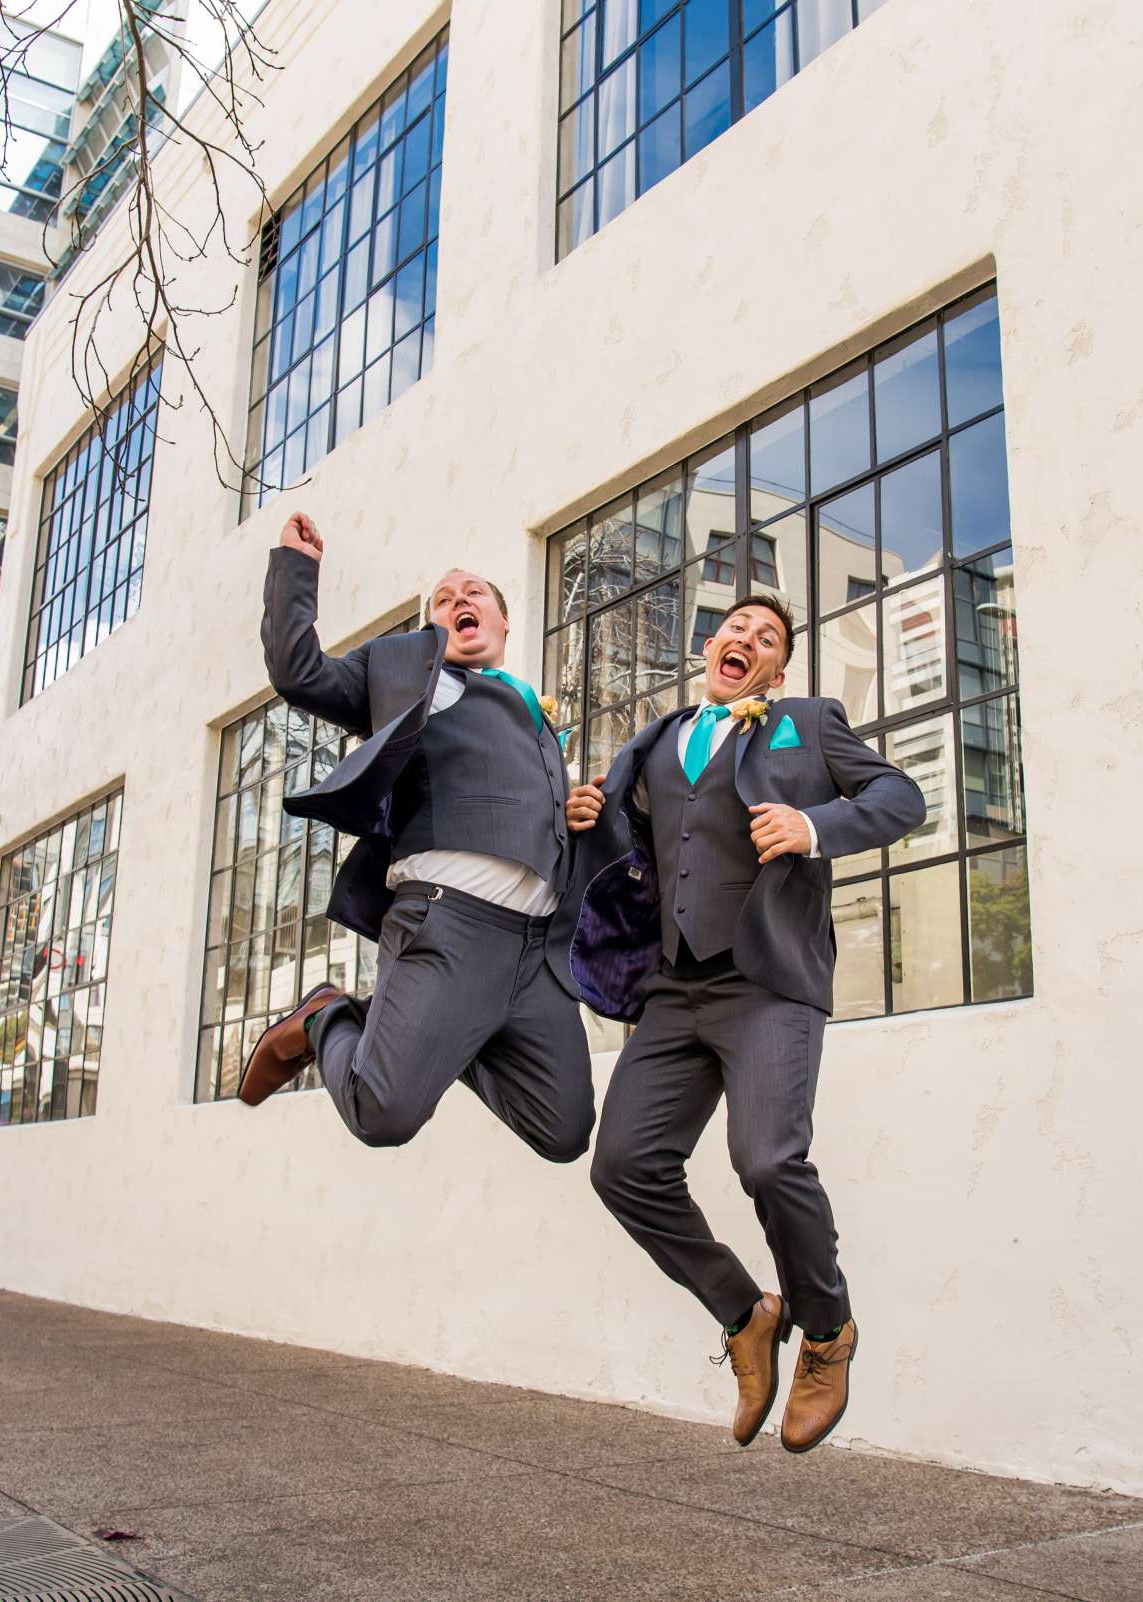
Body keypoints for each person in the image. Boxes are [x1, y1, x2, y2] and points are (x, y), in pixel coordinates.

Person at [567, 594, 925, 1453]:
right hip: (672, 988)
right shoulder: (654, 741)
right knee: (622, 1168)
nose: (747, 641)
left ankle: (827, 1331)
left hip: (767, 980)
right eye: (737, 629)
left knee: (766, 1160)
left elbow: (900, 797)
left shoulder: (807, 724)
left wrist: (811, 824)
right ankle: (744, 1314)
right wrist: (584, 819)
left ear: (780, 668)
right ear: (710, 645)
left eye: (768, 639)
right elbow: (623, 848)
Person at [239, 511, 593, 1165]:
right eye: (443, 599)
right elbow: (299, 673)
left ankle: (443, 1031)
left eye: (473, 594)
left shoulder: (534, 716)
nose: (458, 601)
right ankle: (327, 1018)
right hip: (446, 919)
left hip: (534, 950)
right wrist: (297, 568)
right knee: (383, 1112)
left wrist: (572, 817)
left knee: (565, 1129)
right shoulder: (407, 674)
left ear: (503, 622)